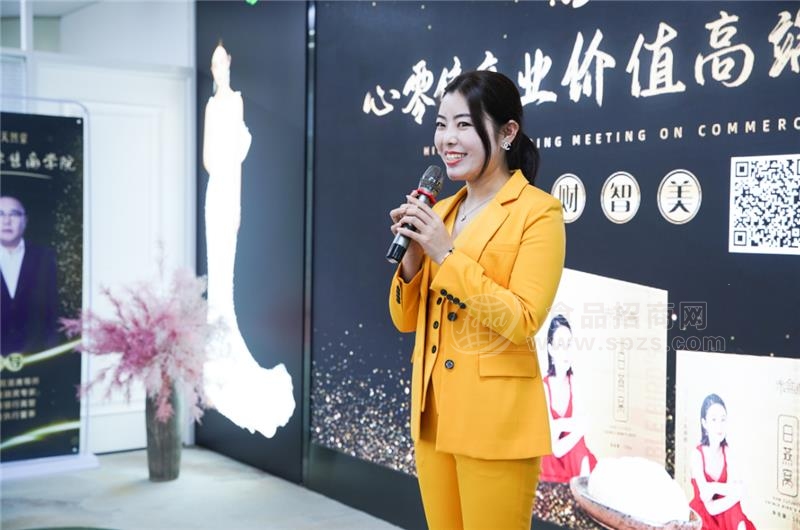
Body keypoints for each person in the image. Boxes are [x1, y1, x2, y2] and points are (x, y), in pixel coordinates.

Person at [388, 71, 565, 530]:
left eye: (464, 124)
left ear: (507, 132)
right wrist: (412, 260)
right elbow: (406, 320)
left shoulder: (538, 212)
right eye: (441, 124)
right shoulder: (441, 211)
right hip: (433, 417)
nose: (447, 138)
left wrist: (446, 255)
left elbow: (522, 319)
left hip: (495, 424)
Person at [202, 42, 295, 438]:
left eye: (221, 61)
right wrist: (234, 150)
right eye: (213, 62)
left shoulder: (237, 101)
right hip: (217, 187)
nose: (217, 67)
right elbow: (210, 158)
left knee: (228, 270)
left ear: (229, 64)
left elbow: (236, 160)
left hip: (230, 191)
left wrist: (238, 150)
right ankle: (216, 355)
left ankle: (228, 357)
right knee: (217, 271)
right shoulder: (212, 106)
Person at [539, 314, 597, 483]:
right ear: (550, 349)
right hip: (550, 463)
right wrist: (575, 426)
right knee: (545, 453)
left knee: (579, 447)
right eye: (560, 345)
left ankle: (581, 489)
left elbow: (576, 433)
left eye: (569, 344)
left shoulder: (575, 383)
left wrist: (559, 425)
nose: (566, 351)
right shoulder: (544, 387)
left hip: (573, 456)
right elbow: (553, 446)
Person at [0, 195, 60, 356]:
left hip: (37, 356)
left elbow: (54, 310)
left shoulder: (45, 257)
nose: (7, 221)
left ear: (25, 220)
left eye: (14, 214)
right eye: (0, 214)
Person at [689, 393, 756, 530]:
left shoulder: (727, 451)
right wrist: (736, 493)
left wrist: (713, 487)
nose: (719, 426)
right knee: (734, 505)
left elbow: (738, 490)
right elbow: (710, 507)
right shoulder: (697, 455)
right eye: (714, 420)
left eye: (723, 419)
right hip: (703, 517)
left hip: (726, 513)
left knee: (734, 509)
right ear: (704, 423)